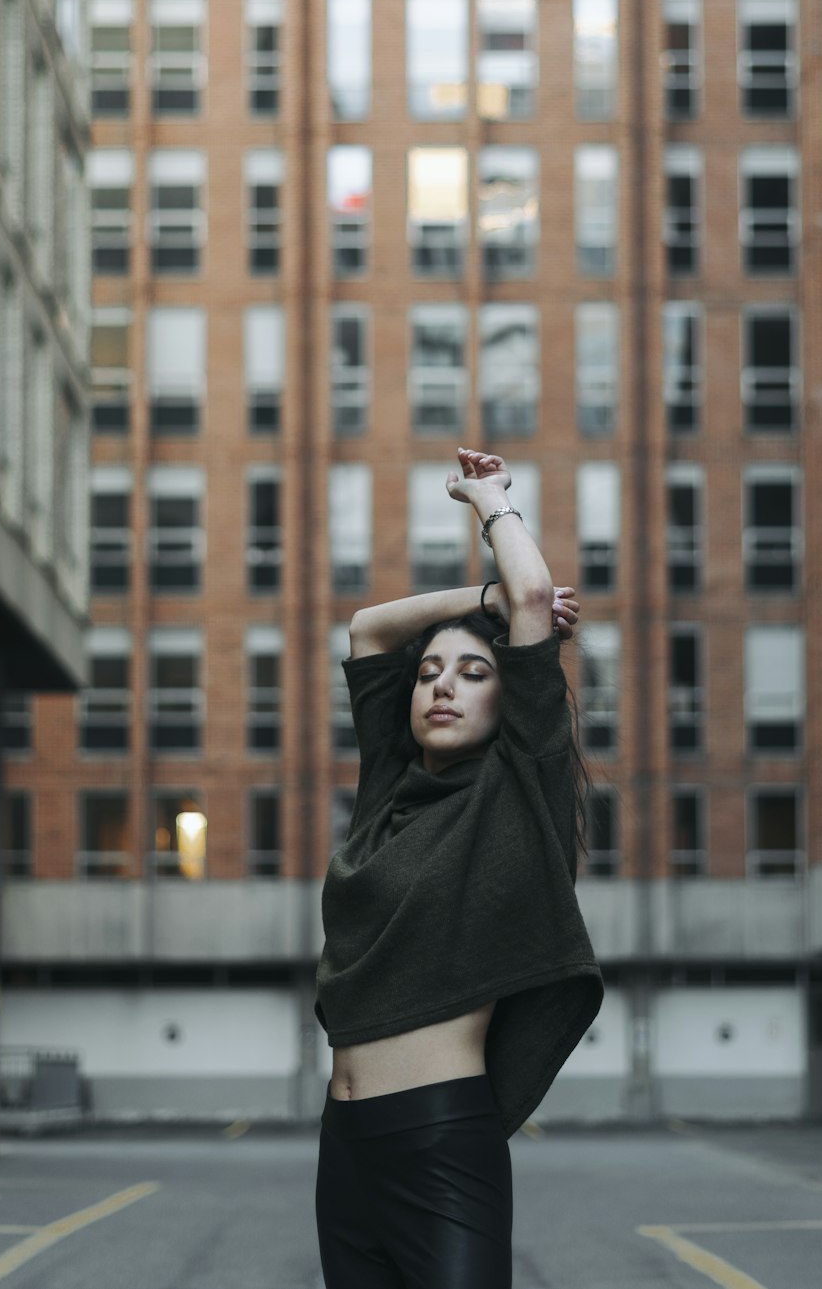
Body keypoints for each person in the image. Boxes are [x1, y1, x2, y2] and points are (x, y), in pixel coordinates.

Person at [314, 449, 605, 1289]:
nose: (443, 685)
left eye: (474, 673)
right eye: (431, 673)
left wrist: (490, 502)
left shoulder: (521, 791)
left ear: (507, 699)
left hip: (439, 1138)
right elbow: (370, 629)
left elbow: (526, 601)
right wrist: (473, 604)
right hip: (345, 1143)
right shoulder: (386, 797)